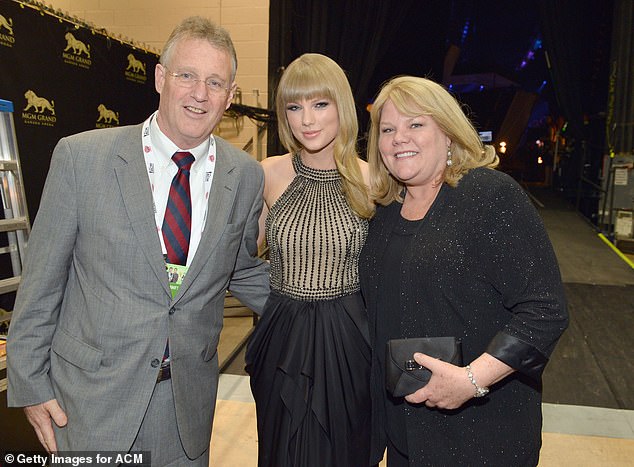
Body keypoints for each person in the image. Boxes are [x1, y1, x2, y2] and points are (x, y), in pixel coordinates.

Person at [7, 16, 270, 466]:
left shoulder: (244, 176)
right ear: (161, 77)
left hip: (185, 407)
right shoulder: (81, 159)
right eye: (186, 75)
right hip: (89, 404)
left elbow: (241, 268)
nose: (199, 93)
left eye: (215, 82)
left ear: (229, 97)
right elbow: (41, 283)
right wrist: (30, 386)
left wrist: (325, 309)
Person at [359, 76, 569, 467]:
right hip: (404, 435)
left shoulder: (491, 196)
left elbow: (545, 310)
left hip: (481, 435)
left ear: (448, 133)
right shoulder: (384, 213)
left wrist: (471, 381)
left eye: (415, 125)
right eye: (388, 129)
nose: (398, 138)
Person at [244, 53, 374, 467]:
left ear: (342, 106)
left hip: (349, 342)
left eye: (320, 104)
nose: (307, 120)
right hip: (281, 339)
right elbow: (234, 259)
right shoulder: (268, 173)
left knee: (343, 451)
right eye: (294, 107)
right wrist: (273, 301)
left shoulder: (374, 180)